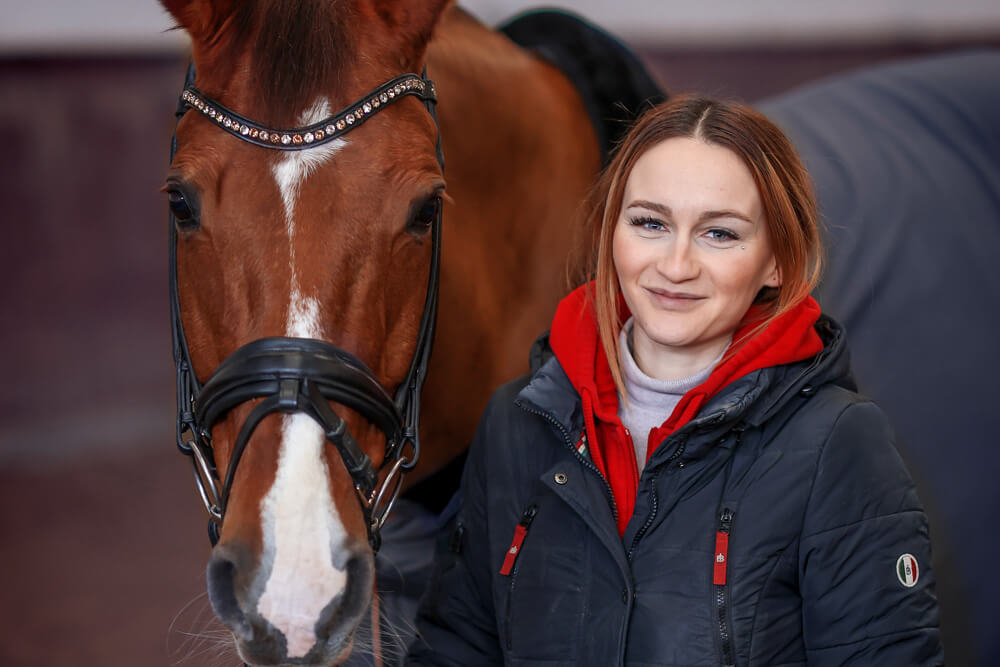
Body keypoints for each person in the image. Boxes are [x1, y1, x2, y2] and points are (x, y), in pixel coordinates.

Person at [407, 95, 943, 666]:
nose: (676, 264)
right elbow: (456, 649)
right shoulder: (516, 424)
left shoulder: (838, 443)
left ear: (777, 262)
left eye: (720, 234)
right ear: (613, 234)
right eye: (650, 223)